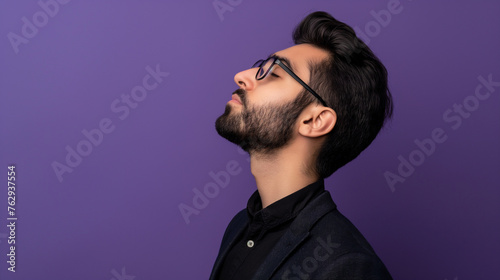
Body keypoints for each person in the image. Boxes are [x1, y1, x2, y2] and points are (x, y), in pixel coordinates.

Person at [210, 11, 393, 280]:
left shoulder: (348, 266)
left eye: (274, 73)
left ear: (315, 120)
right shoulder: (240, 226)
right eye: (261, 66)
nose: (242, 76)